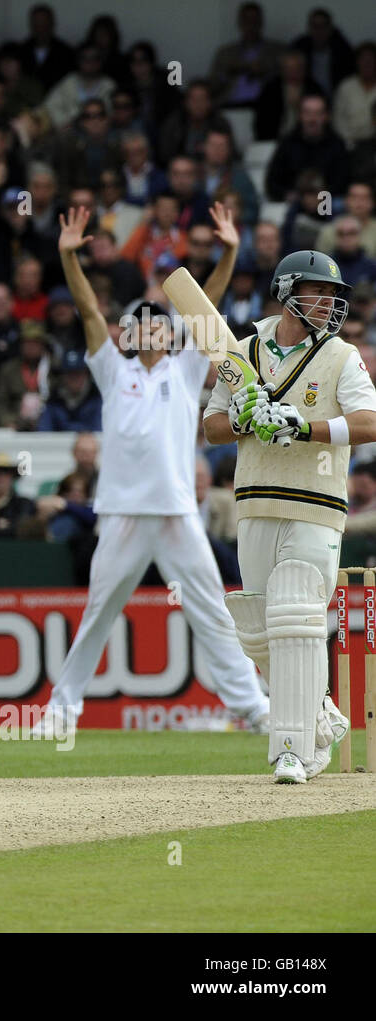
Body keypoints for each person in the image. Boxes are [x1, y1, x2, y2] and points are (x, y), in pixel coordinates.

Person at [32, 203, 270, 739]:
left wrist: (230, 250)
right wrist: (69, 257)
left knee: (211, 611)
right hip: (120, 512)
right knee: (98, 613)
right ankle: (60, 712)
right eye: (139, 325)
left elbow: (205, 309)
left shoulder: (187, 368)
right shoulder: (112, 370)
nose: (149, 331)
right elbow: (90, 312)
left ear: (168, 333)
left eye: (158, 324)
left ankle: (253, 708)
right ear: (130, 335)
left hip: (178, 512)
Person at [204, 248, 376, 781]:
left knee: (297, 618)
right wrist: (238, 417)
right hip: (254, 502)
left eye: (333, 296)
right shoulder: (242, 353)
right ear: (286, 293)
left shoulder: (341, 356)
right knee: (257, 629)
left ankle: (293, 751)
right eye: (317, 292)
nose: (328, 303)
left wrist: (304, 427)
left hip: (316, 504)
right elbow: (209, 427)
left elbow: (370, 421)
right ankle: (320, 712)